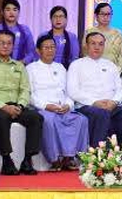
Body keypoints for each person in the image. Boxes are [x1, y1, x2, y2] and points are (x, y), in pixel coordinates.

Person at [0, 30, 44, 175]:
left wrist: (20, 105)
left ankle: (27, 160)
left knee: (36, 117)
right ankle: (7, 160)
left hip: (17, 106)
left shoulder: (19, 66)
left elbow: (25, 89)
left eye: (9, 43)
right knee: (0, 118)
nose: (5, 46)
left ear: (13, 46)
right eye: (1, 43)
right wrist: (4, 106)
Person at [67, 32, 122, 150]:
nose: (97, 47)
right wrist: (94, 102)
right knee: (101, 114)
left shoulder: (110, 65)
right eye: (93, 43)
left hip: (110, 105)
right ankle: (98, 154)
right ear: (86, 46)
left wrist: (114, 101)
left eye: (100, 44)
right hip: (87, 106)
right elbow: (73, 91)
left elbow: (120, 89)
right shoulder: (76, 65)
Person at [26, 34, 89, 171]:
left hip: (62, 107)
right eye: (46, 47)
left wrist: (68, 104)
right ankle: (54, 159)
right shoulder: (31, 68)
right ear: (38, 50)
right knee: (49, 121)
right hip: (43, 108)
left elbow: (69, 91)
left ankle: (69, 157)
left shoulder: (60, 67)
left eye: (53, 47)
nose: (50, 50)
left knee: (81, 120)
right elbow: (29, 95)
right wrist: (46, 106)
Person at [84, 3, 122, 70]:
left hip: (113, 71)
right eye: (102, 14)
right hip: (92, 69)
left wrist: (117, 71)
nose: (105, 17)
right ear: (96, 16)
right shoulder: (89, 32)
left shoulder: (118, 33)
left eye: (108, 14)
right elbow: (85, 53)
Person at [0, 0, 37, 64]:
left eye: (14, 10)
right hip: (0, 65)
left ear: (18, 12)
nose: (11, 12)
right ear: (2, 12)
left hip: (20, 66)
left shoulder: (25, 29)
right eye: (8, 10)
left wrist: (22, 62)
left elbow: (32, 52)